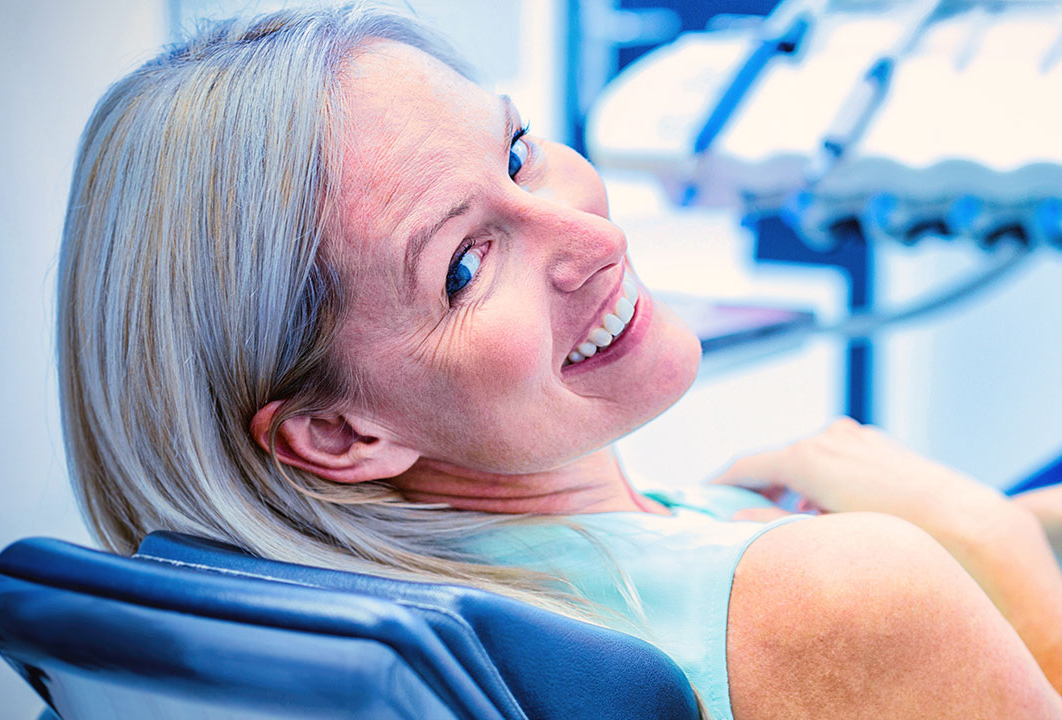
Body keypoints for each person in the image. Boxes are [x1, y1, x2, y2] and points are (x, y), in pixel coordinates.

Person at [56, 5, 1062, 718]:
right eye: (464, 265)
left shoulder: (377, 640)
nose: (597, 239)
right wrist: (1003, 561)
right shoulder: (844, 596)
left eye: (519, 151)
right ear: (337, 432)